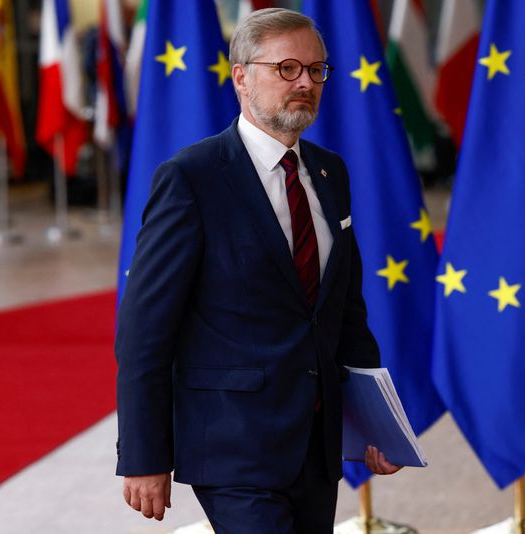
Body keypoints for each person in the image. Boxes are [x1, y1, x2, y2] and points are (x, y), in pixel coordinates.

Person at [115, 8, 401, 533]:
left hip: (315, 447)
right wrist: (142, 453)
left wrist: (373, 424)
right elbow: (144, 331)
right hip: (232, 445)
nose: (306, 83)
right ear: (241, 76)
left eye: (317, 71)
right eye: (287, 69)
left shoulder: (328, 171)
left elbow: (344, 312)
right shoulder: (191, 178)